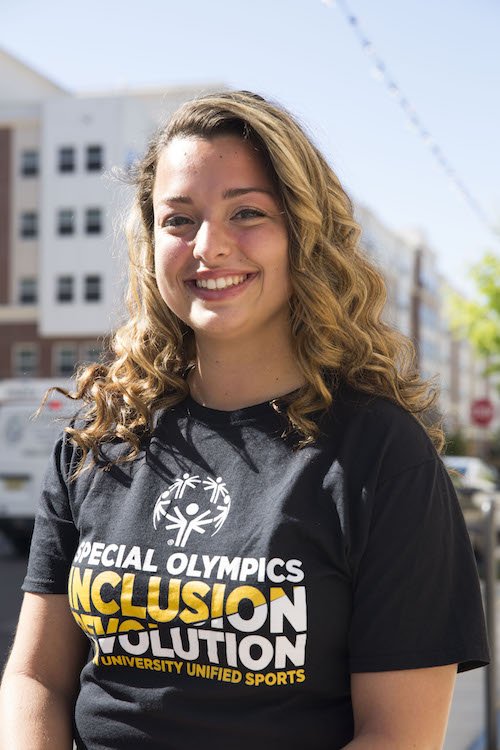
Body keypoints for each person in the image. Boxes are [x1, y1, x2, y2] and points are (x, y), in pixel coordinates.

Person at [0, 90, 489, 750]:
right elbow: (36, 678)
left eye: (247, 212)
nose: (210, 246)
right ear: (150, 241)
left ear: (302, 233)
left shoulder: (380, 456)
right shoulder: (101, 438)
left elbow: (397, 736)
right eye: (179, 219)